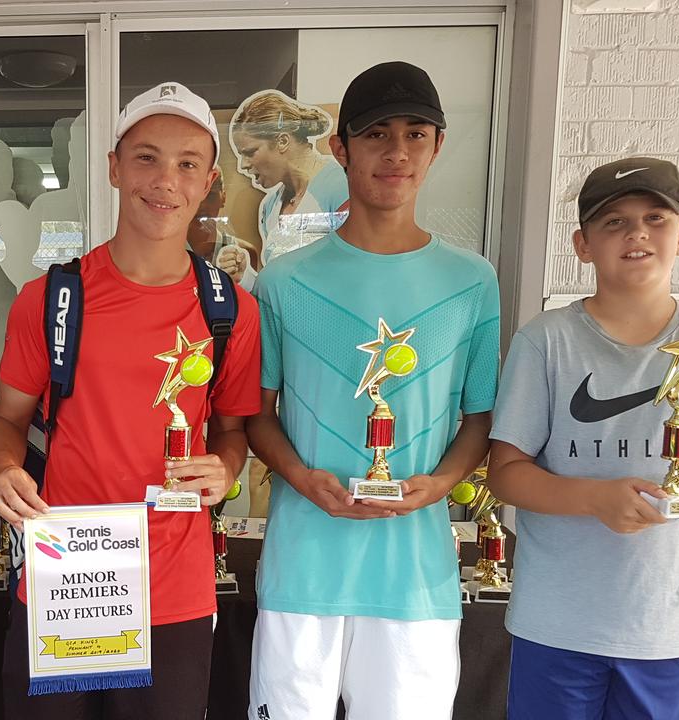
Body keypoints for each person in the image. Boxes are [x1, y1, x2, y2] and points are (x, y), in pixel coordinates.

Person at [0, 81, 261, 719]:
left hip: (175, 592)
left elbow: (235, 431)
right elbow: (5, 420)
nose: (166, 179)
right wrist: (0, 468)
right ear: (113, 167)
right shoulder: (52, 300)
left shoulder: (230, 311)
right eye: (146, 157)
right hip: (66, 579)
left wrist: (226, 467)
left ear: (209, 180)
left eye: (187, 163)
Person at [245, 62, 500, 720]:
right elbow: (257, 416)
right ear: (340, 148)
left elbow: (478, 419)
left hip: (415, 581)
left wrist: (438, 485)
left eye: (417, 134)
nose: (397, 152)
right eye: (377, 134)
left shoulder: (473, 282)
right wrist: (303, 479)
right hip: (303, 570)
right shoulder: (281, 282)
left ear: (437, 147)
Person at [486, 157, 679, 720]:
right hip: (557, 621)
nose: (637, 232)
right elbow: (505, 472)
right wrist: (595, 499)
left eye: (656, 218)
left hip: (663, 624)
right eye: (613, 221)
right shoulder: (546, 341)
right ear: (582, 244)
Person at [229, 89, 349, 264]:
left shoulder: (342, 186)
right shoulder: (269, 206)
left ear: (283, 141)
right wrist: (245, 277)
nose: (243, 165)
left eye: (250, 152)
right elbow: (278, 281)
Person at [187, 172, 259, 291]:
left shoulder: (244, 251)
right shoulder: (169, 251)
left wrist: (243, 280)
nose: (202, 205)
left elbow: (252, 302)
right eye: (196, 196)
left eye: (210, 195)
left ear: (223, 197)